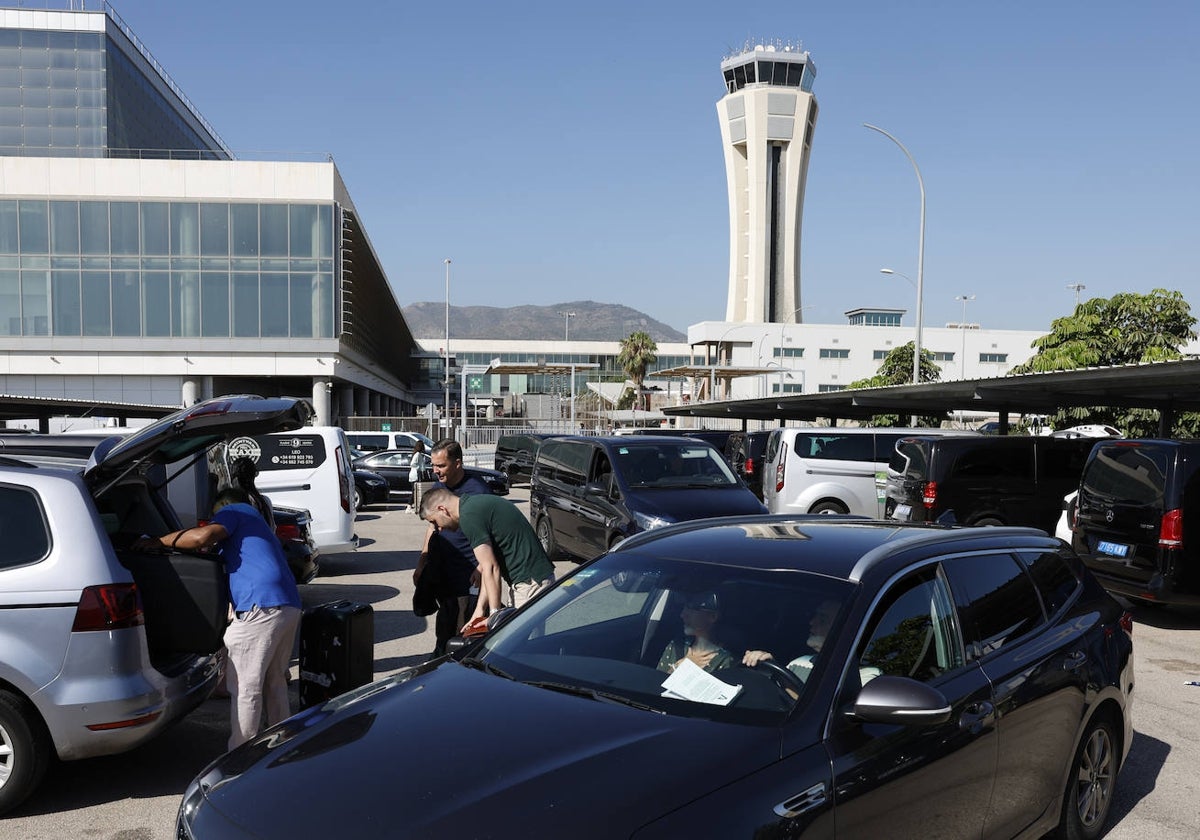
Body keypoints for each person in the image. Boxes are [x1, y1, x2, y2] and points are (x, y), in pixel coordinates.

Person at [136, 488, 301, 750]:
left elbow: (203, 537)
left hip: (261, 607)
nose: (214, 520)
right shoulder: (254, 530)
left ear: (222, 505)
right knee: (274, 681)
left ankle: (241, 754)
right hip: (287, 604)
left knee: (246, 686)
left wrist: (158, 542)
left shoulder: (235, 509)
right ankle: (282, 747)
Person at [419, 487, 555, 634]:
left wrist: (495, 614)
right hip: (528, 580)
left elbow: (491, 568)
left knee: (522, 644)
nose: (438, 529)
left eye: (435, 521)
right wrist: (479, 610)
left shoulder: (469, 517)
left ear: (442, 509)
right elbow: (487, 567)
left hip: (530, 582)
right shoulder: (473, 505)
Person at [412, 439, 491, 656]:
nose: (436, 471)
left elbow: (491, 538)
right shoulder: (439, 486)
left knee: (462, 633)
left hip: (466, 577)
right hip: (442, 573)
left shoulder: (477, 492)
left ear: (458, 463)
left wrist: (480, 568)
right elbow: (431, 527)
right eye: (433, 466)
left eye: (441, 466)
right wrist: (422, 562)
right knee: (444, 627)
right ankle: (441, 658)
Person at [742, 597, 842, 684]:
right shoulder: (798, 664)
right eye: (815, 616)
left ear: (843, 630)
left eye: (823, 619)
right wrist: (768, 669)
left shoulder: (852, 678)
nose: (812, 622)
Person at [657, 591, 735, 674]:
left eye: (691, 610)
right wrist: (676, 668)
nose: (683, 615)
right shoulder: (676, 645)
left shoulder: (725, 661)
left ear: (713, 617)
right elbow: (655, 683)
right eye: (684, 608)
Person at [230, 456, 275, 530]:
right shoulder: (265, 501)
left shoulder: (234, 502)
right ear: (254, 475)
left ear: (234, 477)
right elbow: (272, 528)